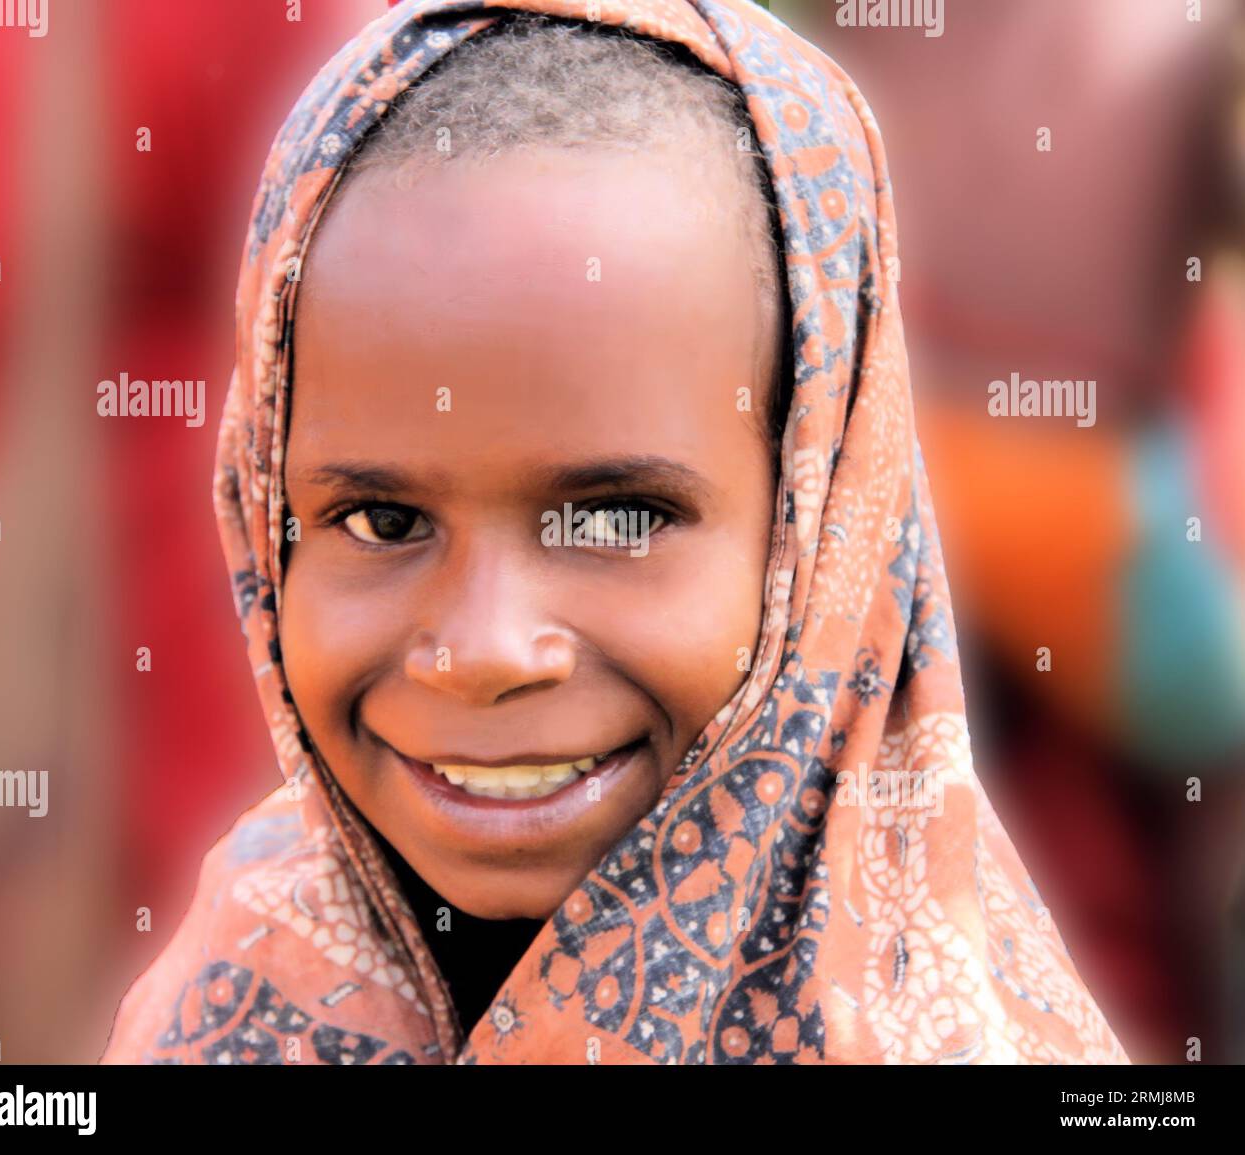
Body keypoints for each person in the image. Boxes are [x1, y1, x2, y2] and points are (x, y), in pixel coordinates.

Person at [100, 0, 1130, 1065]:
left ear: (819, 531)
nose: (484, 650)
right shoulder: (222, 997)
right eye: (382, 518)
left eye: (618, 518)